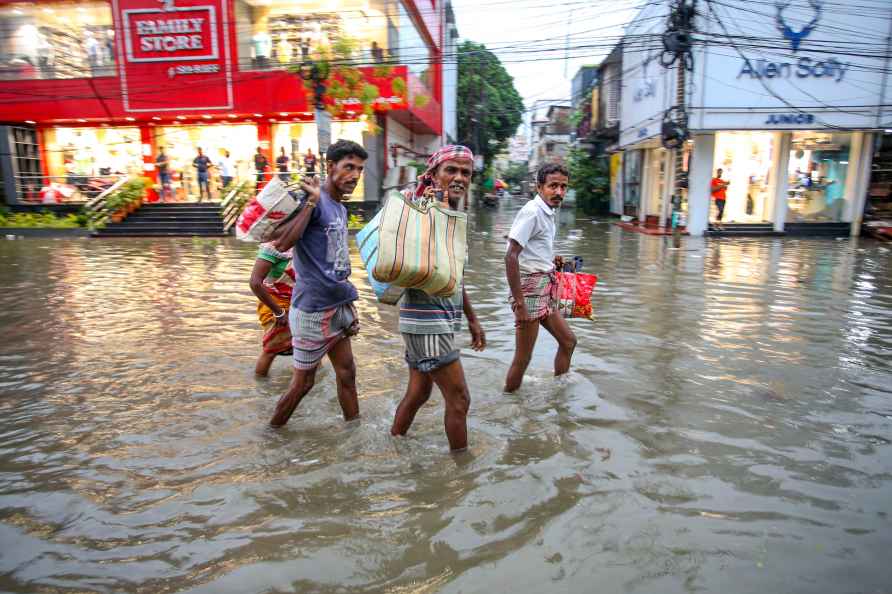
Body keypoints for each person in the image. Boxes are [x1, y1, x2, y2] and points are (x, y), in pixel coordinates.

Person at [390, 145, 487, 452]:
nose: (459, 177)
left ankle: (393, 444)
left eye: (466, 173)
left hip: (435, 321)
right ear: (433, 175)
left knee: (418, 394)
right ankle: (462, 473)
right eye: (451, 170)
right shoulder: (423, 212)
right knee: (460, 400)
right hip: (426, 322)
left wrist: (472, 319)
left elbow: (454, 275)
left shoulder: (452, 215)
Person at [267, 139, 368, 427]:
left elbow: (337, 264)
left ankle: (354, 434)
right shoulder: (312, 200)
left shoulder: (339, 208)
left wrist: (350, 307)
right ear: (329, 166)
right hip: (312, 311)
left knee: (347, 374)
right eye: (348, 167)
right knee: (303, 384)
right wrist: (310, 202)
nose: (355, 175)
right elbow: (282, 242)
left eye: (359, 169)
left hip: (338, 306)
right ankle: (272, 435)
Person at [503, 163, 577, 393]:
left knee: (568, 342)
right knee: (523, 358)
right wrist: (520, 303)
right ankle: (508, 401)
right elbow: (510, 255)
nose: (559, 192)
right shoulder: (532, 211)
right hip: (530, 292)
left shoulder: (547, 212)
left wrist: (551, 260)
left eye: (563, 187)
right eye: (553, 186)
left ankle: (559, 394)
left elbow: (530, 249)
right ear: (539, 187)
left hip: (544, 287)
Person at [249, 242, 296, 376]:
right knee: (272, 348)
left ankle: (312, 384)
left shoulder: (305, 246)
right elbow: (255, 283)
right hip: (275, 305)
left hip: (300, 303)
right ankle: (262, 389)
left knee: (310, 349)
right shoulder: (272, 248)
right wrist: (279, 313)